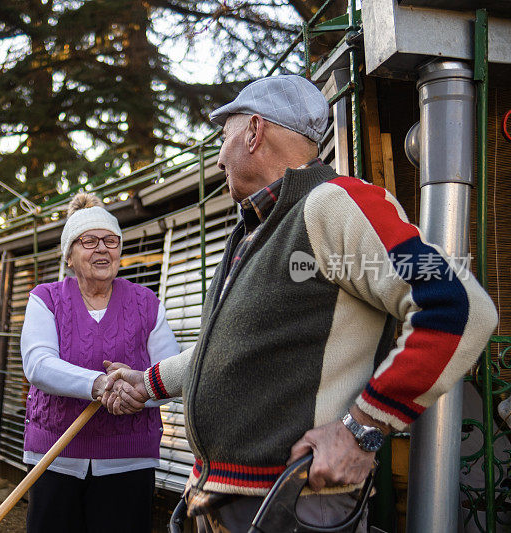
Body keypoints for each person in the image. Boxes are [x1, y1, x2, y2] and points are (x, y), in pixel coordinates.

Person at [103, 74, 498, 532]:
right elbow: (235, 350)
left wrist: (361, 428)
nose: (217, 158)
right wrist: (147, 382)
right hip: (230, 498)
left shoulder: (333, 203)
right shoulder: (254, 229)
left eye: (223, 136)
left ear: (253, 131)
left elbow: (459, 308)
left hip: (293, 502)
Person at [20, 192, 180, 533]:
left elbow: (170, 372)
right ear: (69, 256)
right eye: (89, 241)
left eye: (111, 240)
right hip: (55, 458)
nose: (102, 249)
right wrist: (101, 385)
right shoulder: (46, 299)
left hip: (128, 460)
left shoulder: (146, 302)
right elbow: (38, 364)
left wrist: (138, 393)